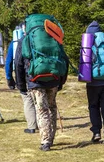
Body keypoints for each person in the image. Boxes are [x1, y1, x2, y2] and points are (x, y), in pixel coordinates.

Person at [15, 14, 69, 151]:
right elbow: (64, 59)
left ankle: (45, 141)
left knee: (42, 110)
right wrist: (61, 80)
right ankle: (51, 138)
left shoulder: (25, 40)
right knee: (52, 107)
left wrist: (21, 85)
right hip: (54, 78)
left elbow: (18, 64)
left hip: (35, 80)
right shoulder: (53, 37)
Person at [5, 29, 38, 134]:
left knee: (28, 100)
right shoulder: (41, 39)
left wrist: (10, 79)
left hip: (26, 76)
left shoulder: (17, 42)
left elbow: (10, 62)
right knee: (41, 100)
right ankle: (44, 125)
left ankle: (32, 127)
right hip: (42, 74)